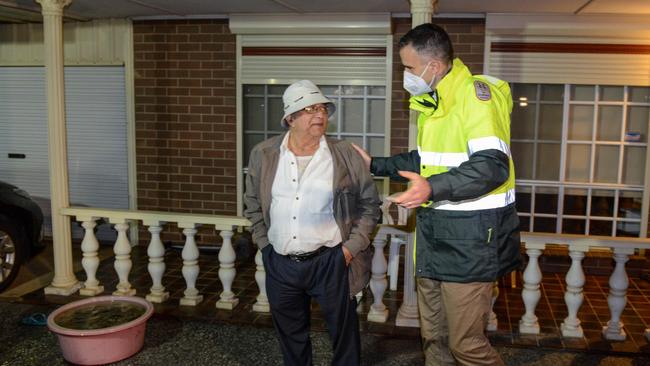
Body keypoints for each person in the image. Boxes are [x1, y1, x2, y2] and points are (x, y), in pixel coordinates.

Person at [353, 23, 521, 366]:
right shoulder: (435, 103)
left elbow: (492, 167)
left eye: (409, 68)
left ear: (435, 66)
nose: (406, 76)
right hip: (435, 239)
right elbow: (425, 161)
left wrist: (431, 188)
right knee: (435, 340)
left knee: (467, 346)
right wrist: (376, 165)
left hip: (471, 244)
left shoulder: (475, 97)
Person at [244, 80, 381, 366]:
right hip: (280, 262)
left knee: (344, 337)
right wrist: (265, 246)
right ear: (290, 118)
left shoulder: (344, 154)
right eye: (308, 109)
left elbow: (369, 206)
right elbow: (253, 205)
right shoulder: (264, 154)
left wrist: (349, 249)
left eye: (321, 108)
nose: (319, 115)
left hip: (330, 261)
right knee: (291, 338)